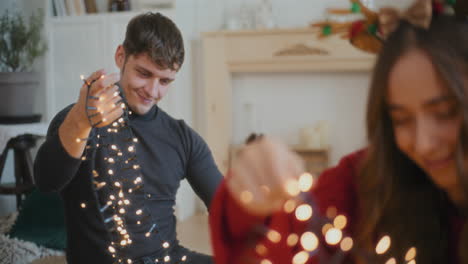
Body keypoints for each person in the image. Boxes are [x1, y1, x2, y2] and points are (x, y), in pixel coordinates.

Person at [209, 1, 468, 264]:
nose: (423, 144)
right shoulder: (364, 184)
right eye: (401, 119)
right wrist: (252, 197)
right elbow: (273, 237)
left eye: (445, 112)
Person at [34, 12, 222, 264]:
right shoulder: (77, 120)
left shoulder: (182, 138)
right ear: (121, 56)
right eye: (144, 73)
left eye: (165, 81)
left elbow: (225, 208)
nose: (153, 91)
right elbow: (46, 181)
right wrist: (80, 121)